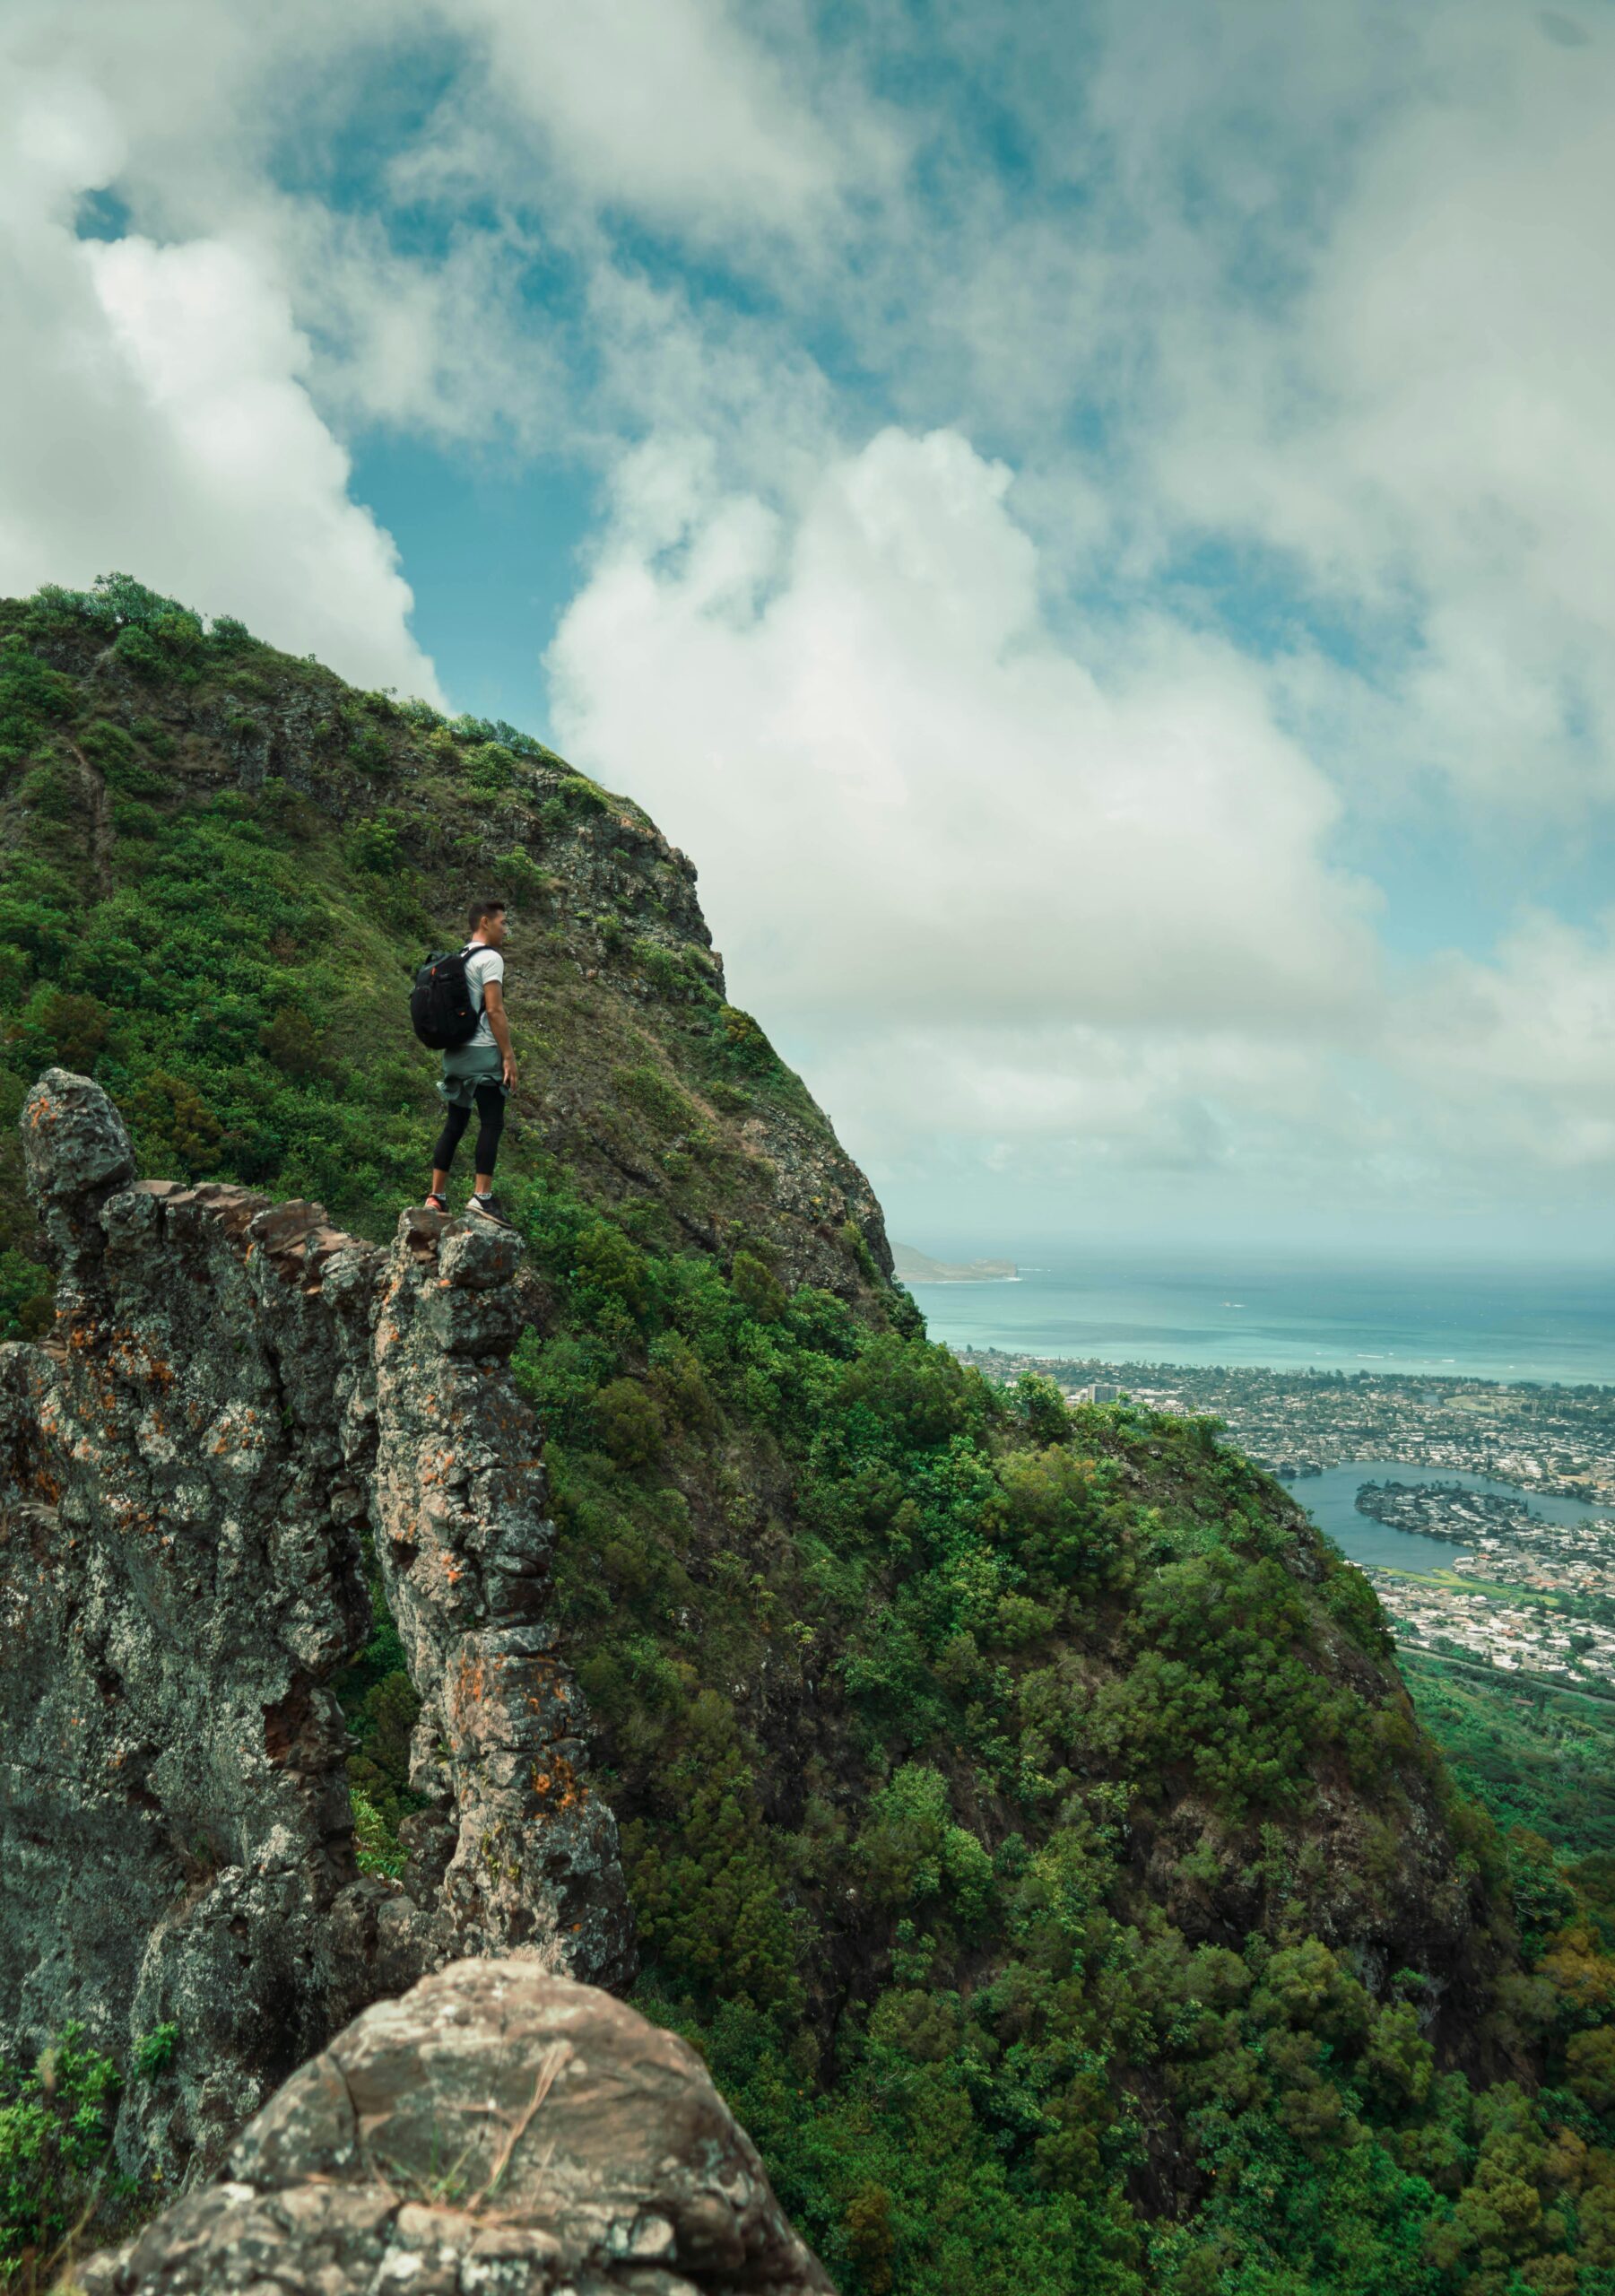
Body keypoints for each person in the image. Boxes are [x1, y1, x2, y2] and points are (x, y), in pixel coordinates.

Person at [424, 900, 518, 1227]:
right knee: (491, 1121)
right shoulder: (490, 958)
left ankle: (436, 1196)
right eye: (503, 923)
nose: (506, 929)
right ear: (485, 922)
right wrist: (508, 1055)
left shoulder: (459, 957)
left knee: (456, 1123)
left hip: (455, 1055)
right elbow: (494, 1011)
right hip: (482, 1054)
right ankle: (482, 1197)